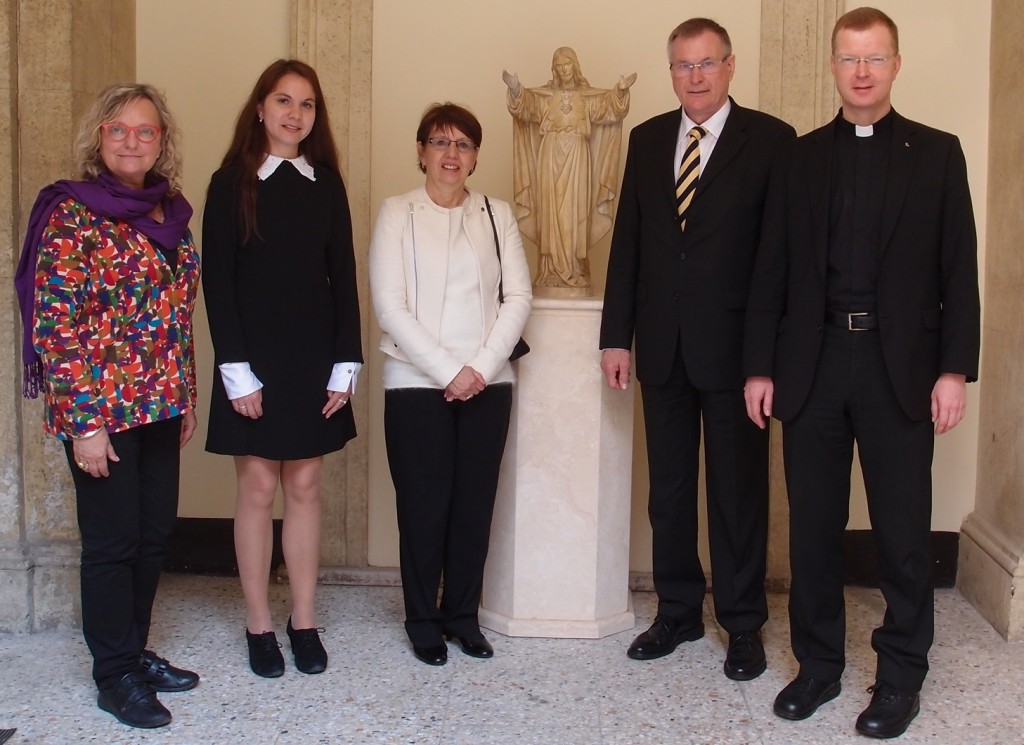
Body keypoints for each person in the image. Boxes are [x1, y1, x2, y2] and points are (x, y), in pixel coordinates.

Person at [743, 7, 980, 738]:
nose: (863, 71)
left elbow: (958, 274)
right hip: (812, 364)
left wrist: (953, 371)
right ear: (834, 67)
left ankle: (902, 672)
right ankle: (818, 666)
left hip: (900, 368)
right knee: (813, 527)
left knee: (903, 530)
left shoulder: (939, 154)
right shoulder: (799, 158)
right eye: (849, 58)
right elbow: (770, 272)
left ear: (896, 65)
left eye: (875, 58)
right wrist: (759, 366)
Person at [600, 18, 795, 680]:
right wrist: (614, 337)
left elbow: (777, 261)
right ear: (672, 71)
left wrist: (767, 359)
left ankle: (742, 623)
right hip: (661, 346)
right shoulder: (648, 139)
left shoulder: (770, 141)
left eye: (707, 63)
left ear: (730, 66)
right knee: (670, 491)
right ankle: (678, 610)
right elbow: (630, 242)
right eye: (684, 66)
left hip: (740, 354)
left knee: (738, 494)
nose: (696, 77)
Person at [15, 83, 201, 728]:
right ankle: (113, 673)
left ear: (162, 141)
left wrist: (189, 396)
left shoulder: (169, 212)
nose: (131, 141)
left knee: (153, 539)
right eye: (118, 129)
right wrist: (86, 424)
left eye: (144, 131)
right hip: (102, 414)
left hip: (161, 403)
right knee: (112, 543)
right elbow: (55, 326)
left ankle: (134, 650)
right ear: (99, 137)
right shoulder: (71, 214)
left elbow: (178, 315)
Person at [202, 59, 363, 679]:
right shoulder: (229, 183)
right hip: (252, 358)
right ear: (261, 109)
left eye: (308, 105)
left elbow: (343, 277)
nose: (296, 114)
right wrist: (236, 372)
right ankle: (257, 623)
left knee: (303, 487)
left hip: (314, 356)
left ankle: (302, 619)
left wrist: (344, 363)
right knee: (258, 488)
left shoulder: (326, 183)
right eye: (284, 101)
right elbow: (218, 283)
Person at [369, 103, 531, 666]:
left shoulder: (496, 214)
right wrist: (449, 372)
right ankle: (423, 620)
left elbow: (519, 298)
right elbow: (390, 306)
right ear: (420, 151)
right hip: (415, 383)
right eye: (439, 142)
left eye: (463, 144)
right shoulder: (397, 213)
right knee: (423, 506)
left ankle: (463, 616)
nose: (450, 154)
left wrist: (480, 369)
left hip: (490, 383)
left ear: (476, 155)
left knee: (472, 505)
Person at [503, 48, 635, 292]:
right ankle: (549, 271)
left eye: (567, 65)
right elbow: (526, 107)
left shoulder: (587, 98)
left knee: (575, 211)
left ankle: (575, 269)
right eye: (558, 65)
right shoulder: (545, 97)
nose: (563, 70)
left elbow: (609, 109)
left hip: (577, 156)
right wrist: (515, 89)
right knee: (549, 210)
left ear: (575, 67)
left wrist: (621, 91)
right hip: (549, 156)